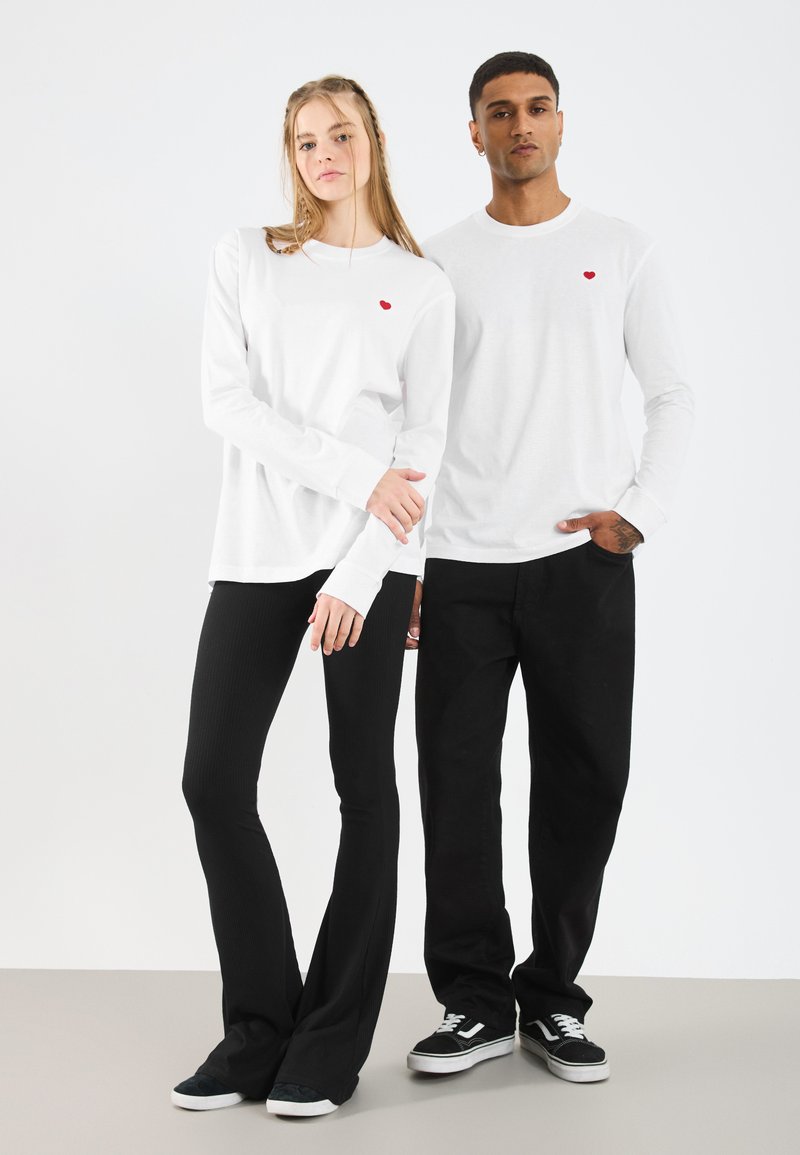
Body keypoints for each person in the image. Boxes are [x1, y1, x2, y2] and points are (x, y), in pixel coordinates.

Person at [406, 51, 693, 1084]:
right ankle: (475, 1003)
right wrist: (405, 560)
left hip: (581, 562)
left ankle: (553, 997)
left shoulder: (619, 248)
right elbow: (410, 420)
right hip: (459, 563)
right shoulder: (436, 261)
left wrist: (638, 514)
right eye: (499, 112)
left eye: (536, 108)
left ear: (560, 123)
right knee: (455, 787)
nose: (519, 125)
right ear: (473, 132)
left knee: (585, 781)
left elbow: (671, 393)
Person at [171, 74, 455, 1118]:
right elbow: (226, 403)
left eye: (340, 133)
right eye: (304, 140)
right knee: (212, 780)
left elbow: (422, 450)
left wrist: (364, 569)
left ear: (372, 140)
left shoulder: (419, 286)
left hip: (366, 561)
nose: (323, 154)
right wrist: (355, 476)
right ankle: (258, 1030)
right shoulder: (247, 255)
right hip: (257, 548)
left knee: (363, 790)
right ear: (289, 155)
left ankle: (329, 1043)